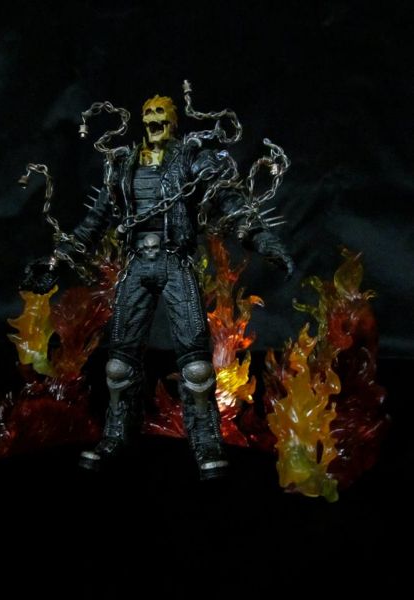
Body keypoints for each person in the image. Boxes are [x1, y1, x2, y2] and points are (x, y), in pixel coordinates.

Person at [21, 94, 293, 480]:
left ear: (173, 122)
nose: (153, 121)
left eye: (161, 114)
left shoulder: (191, 161)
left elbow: (229, 204)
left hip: (175, 263)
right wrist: (56, 261)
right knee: (118, 366)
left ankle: (206, 440)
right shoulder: (123, 167)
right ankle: (117, 433)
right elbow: (92, 224)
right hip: (137, 265)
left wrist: (264, 240)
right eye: (148, 114)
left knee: (196, 369)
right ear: (141, 121)